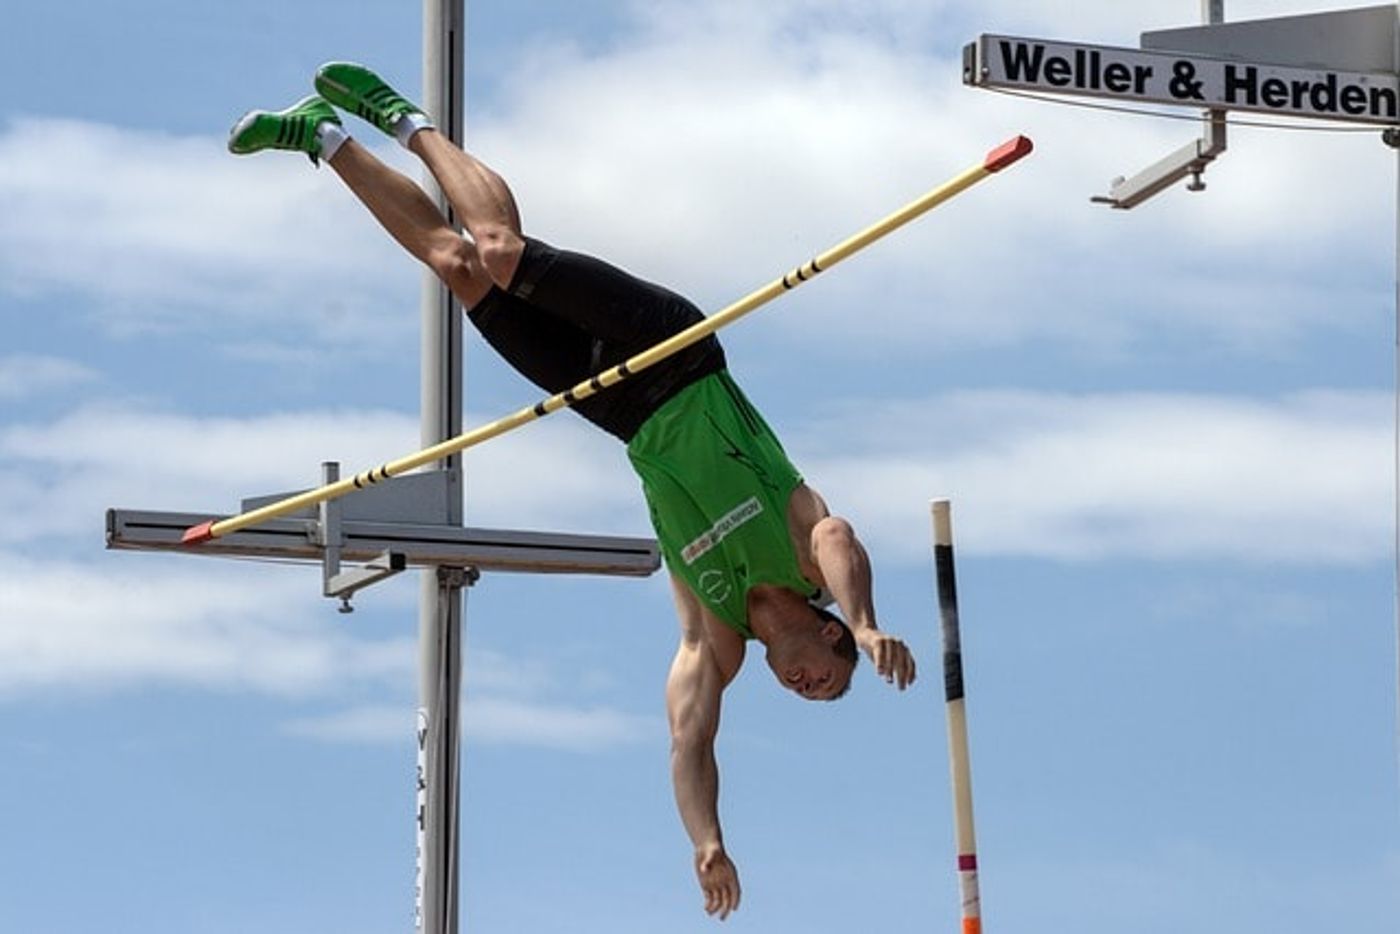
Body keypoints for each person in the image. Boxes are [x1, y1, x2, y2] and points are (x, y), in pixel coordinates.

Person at [230, 62, 917, 919]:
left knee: (457, 266)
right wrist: (867, 620)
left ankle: (323, 139)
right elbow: (838, 534)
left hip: (622, 414)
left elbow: (688, 740)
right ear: (824, 633)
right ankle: (404, 119)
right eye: (828, 677)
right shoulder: (803, 551)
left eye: (810, 693)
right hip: (676, 353)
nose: (811, 690)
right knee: (503, 253)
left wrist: (705, 840)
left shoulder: (719, 638)